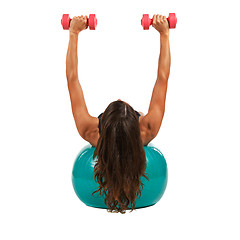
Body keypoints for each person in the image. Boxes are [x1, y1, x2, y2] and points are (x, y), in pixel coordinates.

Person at [66, 14, 171, 213]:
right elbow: (162, 78)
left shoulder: (90, 131)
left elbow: (72, 79)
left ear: (101, 124)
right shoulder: (148, 129)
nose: (121, 98)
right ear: (137, 123)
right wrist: (164, 34)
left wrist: (74, 32)